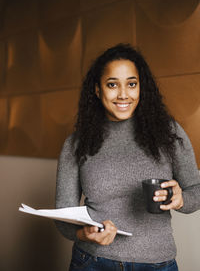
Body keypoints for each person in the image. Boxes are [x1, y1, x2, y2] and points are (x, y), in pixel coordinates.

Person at [55, 44, 200, 271]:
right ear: (97, 89)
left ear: (141, 87)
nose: (123, 94)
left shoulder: (168, 132)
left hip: (157, 264)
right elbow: (63, 215)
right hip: (92, 262)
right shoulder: (76, 144)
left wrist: (182, 200)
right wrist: (84, 234)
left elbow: (197, 189)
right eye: (112, 85)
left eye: (131, 84)